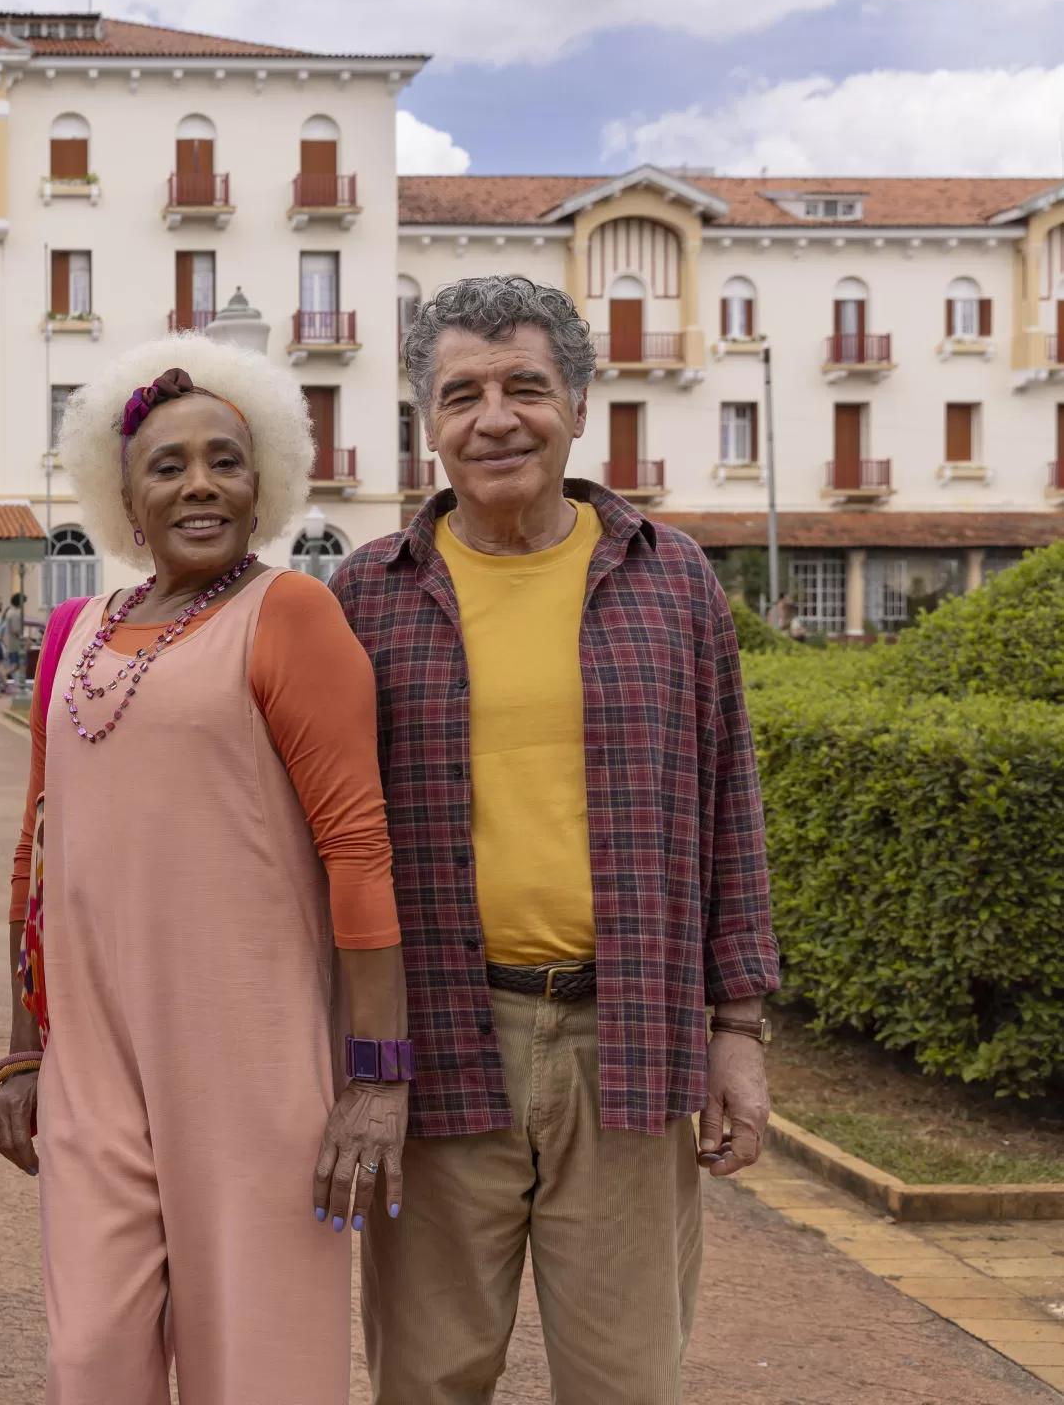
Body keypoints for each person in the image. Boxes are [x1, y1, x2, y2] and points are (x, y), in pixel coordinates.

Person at [333, 275, 778, 1404]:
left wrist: (740, 1028)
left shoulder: (670, 579)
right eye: (460, 393)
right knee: (426, 1378)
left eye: (524, 386)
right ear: (426, 423)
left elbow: (730, 807)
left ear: (578, 404)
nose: (494, 417)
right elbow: (318, 836)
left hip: (625, 1038)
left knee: (626, 1380)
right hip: (437, 1036)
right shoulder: (366, 596)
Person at [0, 345, 409, 1403]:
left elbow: (357, 847)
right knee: (92, 1361)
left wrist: (374, 1071)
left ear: (262, 481)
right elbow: (36, 853)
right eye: (167, 466)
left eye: (225, 460)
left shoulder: (292, 615)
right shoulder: (74, 632)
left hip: (252, 1065)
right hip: (92, 1058)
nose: (199, 483)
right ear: (122, 495)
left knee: (254, 1366)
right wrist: (22, 1051)